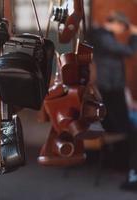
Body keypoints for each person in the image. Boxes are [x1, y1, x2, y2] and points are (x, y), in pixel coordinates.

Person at [90, 11, 137, 191]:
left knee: (122, 126)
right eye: (122, 26)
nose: (123, 30)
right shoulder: (102, 36)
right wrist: (133, 36)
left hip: (113, 87)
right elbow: (129, 51)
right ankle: (121, 166)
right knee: (122, 127)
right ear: (115, 23)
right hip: (109, 87)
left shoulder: (106, 36)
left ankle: (120, 164)